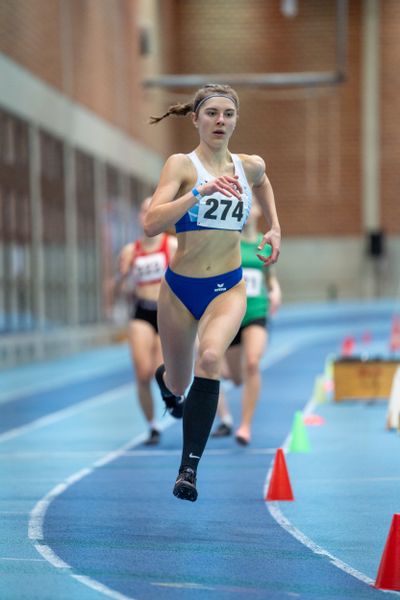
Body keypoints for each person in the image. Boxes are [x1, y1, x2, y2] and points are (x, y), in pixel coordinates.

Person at [145, 83, 281, 502]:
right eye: (212, 114)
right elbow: (151, 223)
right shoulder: (182, 165)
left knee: (210, 358)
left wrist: (275, 227)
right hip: (180, 289)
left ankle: (188, 469)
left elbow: (264, 182)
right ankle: (166, 382)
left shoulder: (249, 165)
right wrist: (199, 192)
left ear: (236, 119)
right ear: (196, 119)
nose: (220, 121)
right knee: (180, 377)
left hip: (227, 286)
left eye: (228, 114)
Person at [211, 201, 282, 445]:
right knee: (234, 376)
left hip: (256, 311)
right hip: (232, 313)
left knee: (252, 362)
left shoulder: (265, 241)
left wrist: (275, 290)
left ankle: (245, 426)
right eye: (243, 205)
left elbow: (269, 276)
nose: (248, 210)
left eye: (251, 205)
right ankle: (232, 400)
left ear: (259, 211)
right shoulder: (230, 244)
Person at [118, 197, 177, 445]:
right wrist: (122, 278)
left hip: (166, 311)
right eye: (143, 211)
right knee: (142, 373)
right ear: (139, 217)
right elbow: (120, 286)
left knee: (161, 372)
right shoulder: (130, 251)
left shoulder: (172, 245)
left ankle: (169, 396)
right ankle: (153, 426)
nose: (147, 215)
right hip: (141, 311)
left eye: (152, 211)